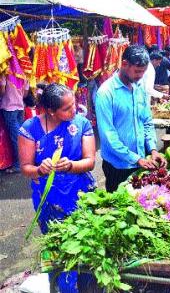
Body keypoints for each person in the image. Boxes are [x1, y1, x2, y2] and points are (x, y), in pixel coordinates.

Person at [18, 83, 96, 292]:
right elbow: (26, 168)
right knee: (53, 247)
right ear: (51, 111)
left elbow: (90, 161)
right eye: (67, 108)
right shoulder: (30, 129)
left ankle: (83, 285)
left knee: (82, 246)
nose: (74, 109)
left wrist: (71, 165)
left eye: (74, 103)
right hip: (49, 201)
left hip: (80, 196)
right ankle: (54, 284)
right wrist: (40, 170)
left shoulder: (81, 124)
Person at [95, 45, 167, 192]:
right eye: (137, 71)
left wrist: (153, 150)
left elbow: (146, 121)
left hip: (141, 161)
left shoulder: (139, 87)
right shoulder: (106, 93)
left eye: (143, 72)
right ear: (124, 64)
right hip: (118, 166)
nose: (140, 76)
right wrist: (136, 159)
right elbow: (109, 136)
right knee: (119, 207)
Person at [0, 75, 29, 173]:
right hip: (20, 108)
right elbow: (25, 94)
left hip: (9, 108)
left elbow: (2, 91)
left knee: (16, 138)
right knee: (21, 136)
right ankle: (26, 160)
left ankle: (18, 165)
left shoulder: (6, 74)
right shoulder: (24, 74)